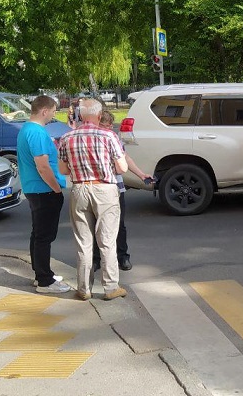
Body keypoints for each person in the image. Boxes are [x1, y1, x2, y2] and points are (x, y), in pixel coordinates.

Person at [58, 98, 129, 301]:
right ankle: (110, 287)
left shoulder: (67, 137)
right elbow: (122, 168)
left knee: (83, 242)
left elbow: (63, 170)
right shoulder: (109, 135)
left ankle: (83, 288)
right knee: (107, 241)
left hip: (79, 189)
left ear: (80, 115)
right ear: (99, 115)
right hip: (104, 189)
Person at [16, 95, 71, 294]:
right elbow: (43, 166)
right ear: (44, 111)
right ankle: (45, 281)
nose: (54, 115)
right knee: (44, 236)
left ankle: (41, 273)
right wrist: (56, 188)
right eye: (54, 111)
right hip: (44, 190)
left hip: (35, 189)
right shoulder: (37, 132)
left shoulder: (27, 129)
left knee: (38, 234)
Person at [91, 109, 152, 273]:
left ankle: (122, 256)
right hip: (97, 186)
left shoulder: (114, 137)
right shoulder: (90, 137)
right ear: (98, 124)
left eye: (111, 125)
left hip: (116, 186)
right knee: (96, 224)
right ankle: (96, 259)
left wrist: (141, 174)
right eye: (107, 125)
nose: (111, 128)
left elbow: (125, 157)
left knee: (119, 224)